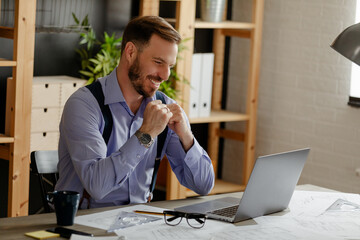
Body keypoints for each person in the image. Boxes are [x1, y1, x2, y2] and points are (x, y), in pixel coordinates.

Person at [55, 16, 215, 208]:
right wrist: (146, 134)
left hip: (140, 223)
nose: (165, 75)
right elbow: (97, 186)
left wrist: (187, 137)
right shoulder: (84, 105)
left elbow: (203, 185)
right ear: (130, 52)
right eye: (158, 62)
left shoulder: (166, 107)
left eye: (170, 66)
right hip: (85, 226)